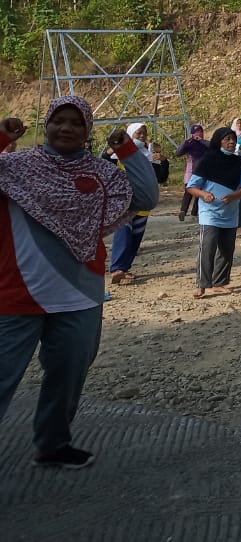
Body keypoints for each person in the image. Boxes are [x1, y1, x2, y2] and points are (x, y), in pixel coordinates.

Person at [0, 96, 159, 469]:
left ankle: (53, 445)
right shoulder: (13, 168)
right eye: (59, 120)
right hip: (15, 294)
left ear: (88, 131)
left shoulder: (104, 176)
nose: (66, 128)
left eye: (76, 122)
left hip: (79, 295)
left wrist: (126, 149)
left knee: (68, 377)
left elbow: (146, 196)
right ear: (46, 125)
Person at [186, 128, 241, 298]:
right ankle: (201, 285)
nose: (231, 142)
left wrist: (234, 195)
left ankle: (220, 282)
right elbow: (191, 187)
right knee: (207, 246)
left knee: (226, 249)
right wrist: (204, 194)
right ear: (218, 141)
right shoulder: (207, 160)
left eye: (233, 139)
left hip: (230, 212)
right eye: (227, 139)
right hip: (209, 212)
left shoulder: (240, 163)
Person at [108, 122, 162, 285]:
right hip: (125, 201)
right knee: (123, 233)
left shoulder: (148, 155)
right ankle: (116, 267)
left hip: (143, 202)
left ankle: (124, 268)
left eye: (143, 133)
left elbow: (159, 177)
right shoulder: (120, 155)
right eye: (138, 133)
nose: (141, 136)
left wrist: (161, 161)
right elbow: (107, 161)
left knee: (136, 237)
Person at [175, 124, 209, 223]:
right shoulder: (189, 144)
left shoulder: (205, 143)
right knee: (188, 191)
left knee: (199, 193)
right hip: (190, 171)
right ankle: (183, 211)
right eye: (196, 132)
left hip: (203, 171)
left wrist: (201, 140)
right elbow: (178, 153)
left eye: (200, 131)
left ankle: (194, 213)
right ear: (192, 134)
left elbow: (212, 147)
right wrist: (185, 142)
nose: (199, 133)